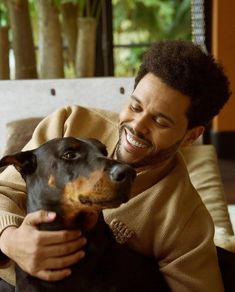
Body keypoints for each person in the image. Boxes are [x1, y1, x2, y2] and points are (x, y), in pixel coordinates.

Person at [0, 40, 231, 291]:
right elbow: (6, 189)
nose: (137, 126)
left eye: (160, 121)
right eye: (135, 106)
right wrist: (9, 239)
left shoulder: (185, 219)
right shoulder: (71, 123)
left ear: (190, 136)